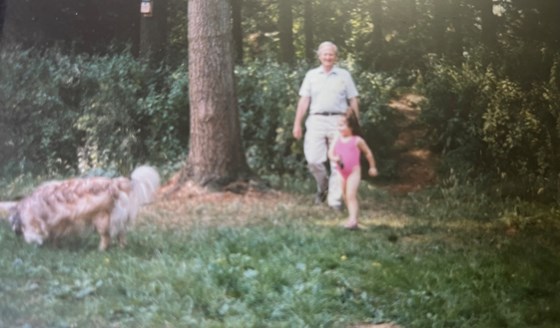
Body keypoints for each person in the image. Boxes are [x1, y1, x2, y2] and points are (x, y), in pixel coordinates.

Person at [292, 41, 359, 210]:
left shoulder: (344, 75)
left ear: (336, 57)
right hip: (316, 121)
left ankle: (334, 201)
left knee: (338, 161)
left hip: (339, 121)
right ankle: (324, 187)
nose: (328, 57)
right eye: (325, 54)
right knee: (313, 160)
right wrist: (297, 124)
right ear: (319, 56)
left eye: (331, 54)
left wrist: (355, 123)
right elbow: (304, 100)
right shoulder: (311, 75)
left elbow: (353, 99)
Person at [328, 111, 378, 229]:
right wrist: (334, 158)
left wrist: (372, 167)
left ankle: (353, 220)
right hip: (341, 172)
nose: (339, 128)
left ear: (351, 126)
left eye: (342, 125)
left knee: (351, 195)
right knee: (345, 195)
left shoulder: (357, 140)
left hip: (353, 172)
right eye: (338, 125)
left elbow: (368, 153)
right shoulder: (337, 138)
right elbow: (330, 152)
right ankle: (351, 217)